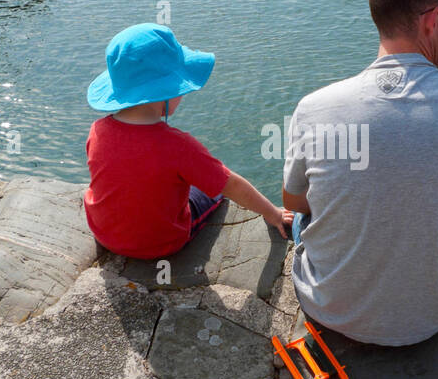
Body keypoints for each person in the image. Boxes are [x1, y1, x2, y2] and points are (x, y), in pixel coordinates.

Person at [282, 0, 438, 346]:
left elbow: (293, 200)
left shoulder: (314, 107)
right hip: (432, 319)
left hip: (325, 308)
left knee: (302, 216)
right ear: (432, 21)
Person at [84, 23, 291, 260]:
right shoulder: (178, 145)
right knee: (210, 187)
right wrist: (273, 213)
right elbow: (231, 185)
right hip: (161, 244)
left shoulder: (97, 130)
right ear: (164, 92)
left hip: (104, 234)